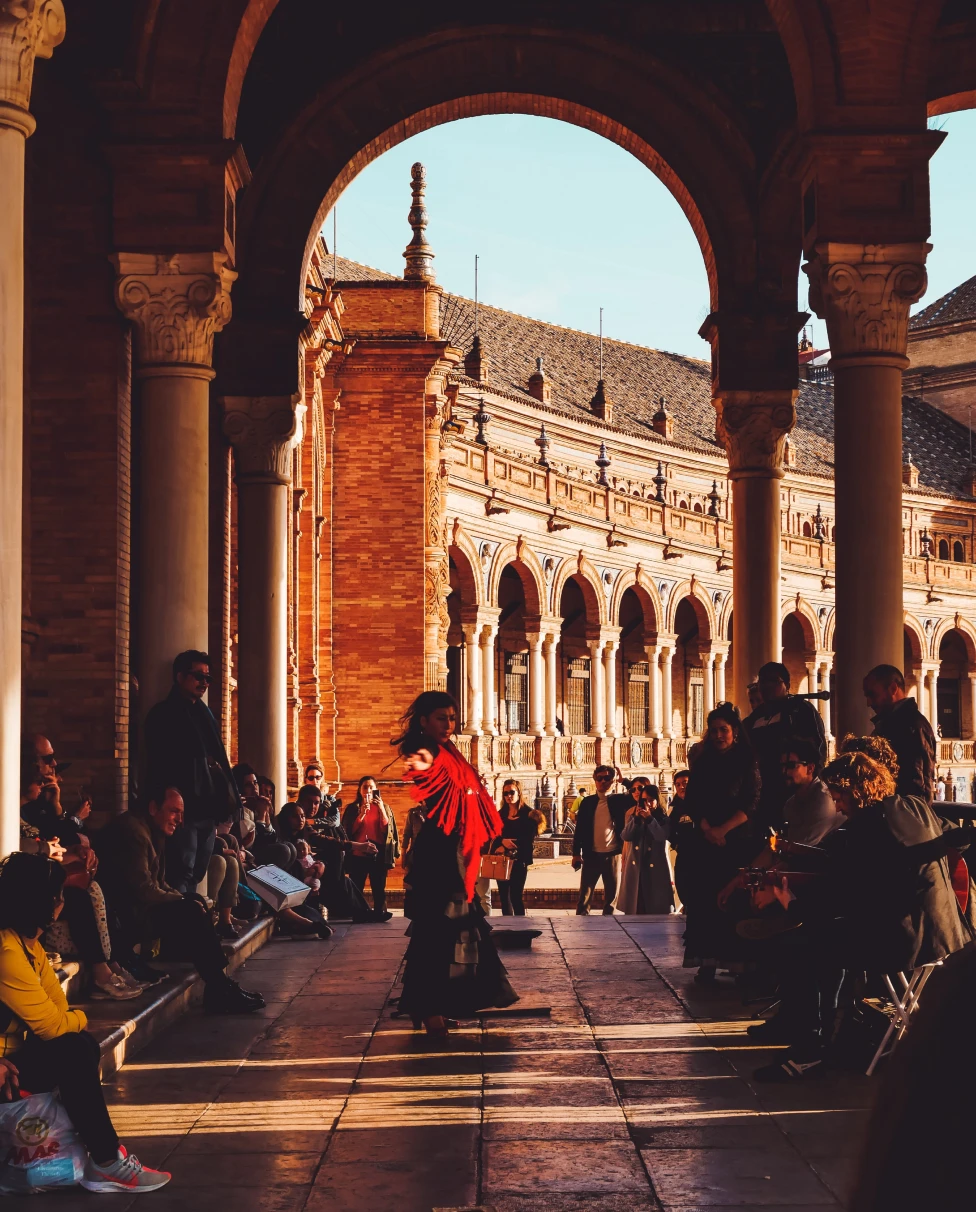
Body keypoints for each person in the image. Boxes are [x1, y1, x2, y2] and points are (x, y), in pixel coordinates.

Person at [750, 750, 972, 1080]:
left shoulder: (864, 830)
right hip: (947, 933)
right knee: (826, 938)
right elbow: (962, 840)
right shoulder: (915, 806)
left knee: (804, 943)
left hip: (903, 943)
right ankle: (826, 1039)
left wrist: (788, 901)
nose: (837, 806)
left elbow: (836, 900)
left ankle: (816, 1048)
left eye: (838, 797)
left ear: (855, 791)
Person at [0, 852, 171, 1192]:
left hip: (11, 1063)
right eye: (57, 895)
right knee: (74, 1049)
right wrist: (79, 1018)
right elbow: (52, 1023)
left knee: (79, 1046)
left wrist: (71, 1020)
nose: (62, 902)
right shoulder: (6, 952)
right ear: (41, 902)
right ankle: (108, 1161)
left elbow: (56, 1004)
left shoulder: (26, 944)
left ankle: (102, 1157)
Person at [397, 691, 518, 1034]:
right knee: (438, 931)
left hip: (456, 850)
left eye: (451, 718)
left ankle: (433, 1006)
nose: (448, 725)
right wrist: (423, 770)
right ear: (424, 720)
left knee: (451, 931)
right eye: (440, 718)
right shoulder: (426, 750)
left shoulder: (451, 753)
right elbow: (415, 767)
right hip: (438, 853)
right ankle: (430, 1008)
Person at [97, 786, 265, 1013]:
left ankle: (221, 984)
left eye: (182, 813)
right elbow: (143, 890)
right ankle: (219, 987)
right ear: (153, 808)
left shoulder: (151, 830)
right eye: (174, 811)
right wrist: (182, 902)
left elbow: (160, 883)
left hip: (138, 909)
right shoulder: (133, 832)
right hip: (123, 918)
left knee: (193, 901)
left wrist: (184, 899)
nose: (180, 820)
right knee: (190, 910)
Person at [674, 702, 760, 982]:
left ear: (734, 731)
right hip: (706, 840)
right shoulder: (703, 761)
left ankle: (736, 963)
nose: (719, 735)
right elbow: (694, 801)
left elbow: (752, 800)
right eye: (714, 731)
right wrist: (708, 828)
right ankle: (706, 960)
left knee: (733, 900)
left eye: (724, 730)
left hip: (737, 840)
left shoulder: (747, 759)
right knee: (704, 901)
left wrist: (724, 829)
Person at [144, 651, 240, 894]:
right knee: (181, 870)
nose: (204, 683)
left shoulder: (204, 714)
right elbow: (157, 762)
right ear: (180, 677)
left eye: (208, 678)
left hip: (207, 808)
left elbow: (219, 757)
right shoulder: (163, 714)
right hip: (183, 809)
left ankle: (187, 921)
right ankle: (180, 926)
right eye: (198, 677)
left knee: (197, 870)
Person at [742, 662, 827, 832]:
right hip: (762, 794)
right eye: (763, 682)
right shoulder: (753, 719)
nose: (767, 686)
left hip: (792, 791)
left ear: (787, 685)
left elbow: (818, 752)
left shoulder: (802, 710)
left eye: (773, 681)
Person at [863, 664, 936, 801]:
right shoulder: (892, 723)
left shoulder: (912, 726)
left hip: (903, 815)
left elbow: (917, 785)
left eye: (872, 694)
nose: (868, 702)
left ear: (892, 689)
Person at [571, 765, 630, 915]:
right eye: (599, 778)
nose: (603, 781)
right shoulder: (587, 802)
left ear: (613, 780)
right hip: (592, 854)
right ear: (595, 780)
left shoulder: (620, 800)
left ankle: (610, 929)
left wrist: (624, 781)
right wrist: (576, 853)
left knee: (611, 899)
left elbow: (641, 793)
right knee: (584, 897)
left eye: (607, 778)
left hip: (613, 854)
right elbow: (580, 829)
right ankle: (580, 927)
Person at [342, 777, 400, 915]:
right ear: (360, 789)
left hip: (377, 853)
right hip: (358, 852)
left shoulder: (384, 807)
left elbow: (387, 830)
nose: (368, 790)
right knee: (357, 885)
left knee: (379, 886)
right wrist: (361, 814)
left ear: (375, 789)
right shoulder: (352, 808)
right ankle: (358, 912)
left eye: (371, 787)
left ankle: (380, 912)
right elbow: (348, 831)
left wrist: (381, 809)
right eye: (365, 787)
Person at [618, 778, 673, 914]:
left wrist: (649, 819)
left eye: (650, 799)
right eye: (644, 800)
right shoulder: (634, 817)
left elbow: (661, 836)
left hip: (655, 867)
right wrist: (636, 819)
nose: (647, 803)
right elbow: (625, 836)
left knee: (654, 906)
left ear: (656, 800)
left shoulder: (663, 818)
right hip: (636, 867)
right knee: (636, 905)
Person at [494, 779, 544, 916]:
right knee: (504, 898)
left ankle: (520, 927)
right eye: (505, 793)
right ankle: (507, 928)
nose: (509, 796)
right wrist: (502, 842)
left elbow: (528, 839)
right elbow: (493, 835)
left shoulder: (530, 815)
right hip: (502, 861)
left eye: (512, 792)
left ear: (519, 793)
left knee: (516, 897)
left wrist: (508, 846)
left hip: (519, 860)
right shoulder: (500, 815)